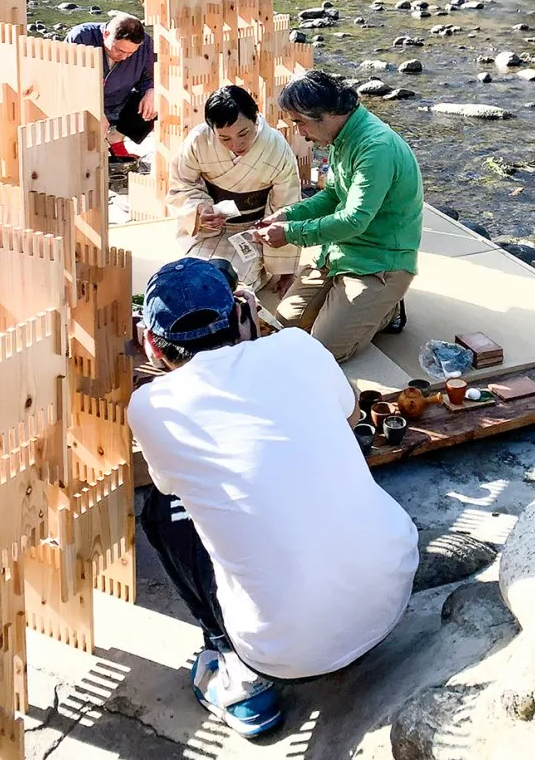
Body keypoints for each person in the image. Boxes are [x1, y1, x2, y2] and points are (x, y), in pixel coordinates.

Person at [127, 258, 419, 738]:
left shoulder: (152, 405)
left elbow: (168, 485)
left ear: (151, 344)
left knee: (165, 512)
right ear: (242, 315)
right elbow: (349, 417)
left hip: (285, 651)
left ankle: (235, 670)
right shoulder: (298, 346)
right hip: (391, 596)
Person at [255, 70, 423, 363]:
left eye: (299, 122)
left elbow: (354, 220)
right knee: (286, 324)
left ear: (325, 114)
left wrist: (291, 233)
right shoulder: (342, 135)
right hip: (339, 251)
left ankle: (387, 308)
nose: (300, 132)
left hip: (380, 260)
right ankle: (356, 306)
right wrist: (289, 214)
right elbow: (333, 195)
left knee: (324, 350)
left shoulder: (376, 147)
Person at [166, 85, 301, 293]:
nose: (237, 145)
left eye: (243, 133)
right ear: (212, 129)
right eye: (225, 138)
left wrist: (286, 270)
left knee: (234, 284)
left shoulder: (276, 148)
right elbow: (181, 185)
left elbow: (286, 204)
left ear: (255, 118)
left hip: (254, 229)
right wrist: (200, 210)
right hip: (209, 229)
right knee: (191, 279)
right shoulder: (198, 140)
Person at [65, 13, 156, 160]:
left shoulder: (145, 44)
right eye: (119, 50)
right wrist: (95, 111)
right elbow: (68, 80)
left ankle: (116, 137)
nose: (124, 57)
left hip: (121, 102)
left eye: (130, 53)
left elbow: (148, 77)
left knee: (157, 99)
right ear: (106, 34)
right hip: (85, 103)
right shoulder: (81, 37)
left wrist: (151, 91)